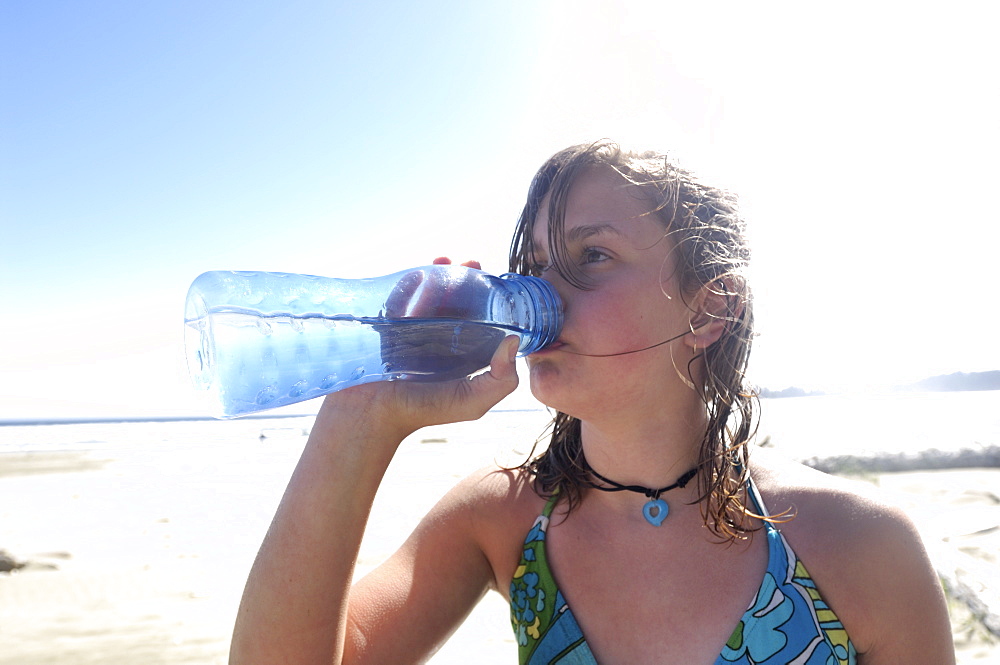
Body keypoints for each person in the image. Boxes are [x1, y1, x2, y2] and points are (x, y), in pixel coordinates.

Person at [229, 140, 955, 664]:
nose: (541, 298)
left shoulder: (857, 542)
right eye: (536, 267)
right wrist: (361, 413)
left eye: (591, 258)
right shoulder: (501, 519)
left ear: (709, 311)